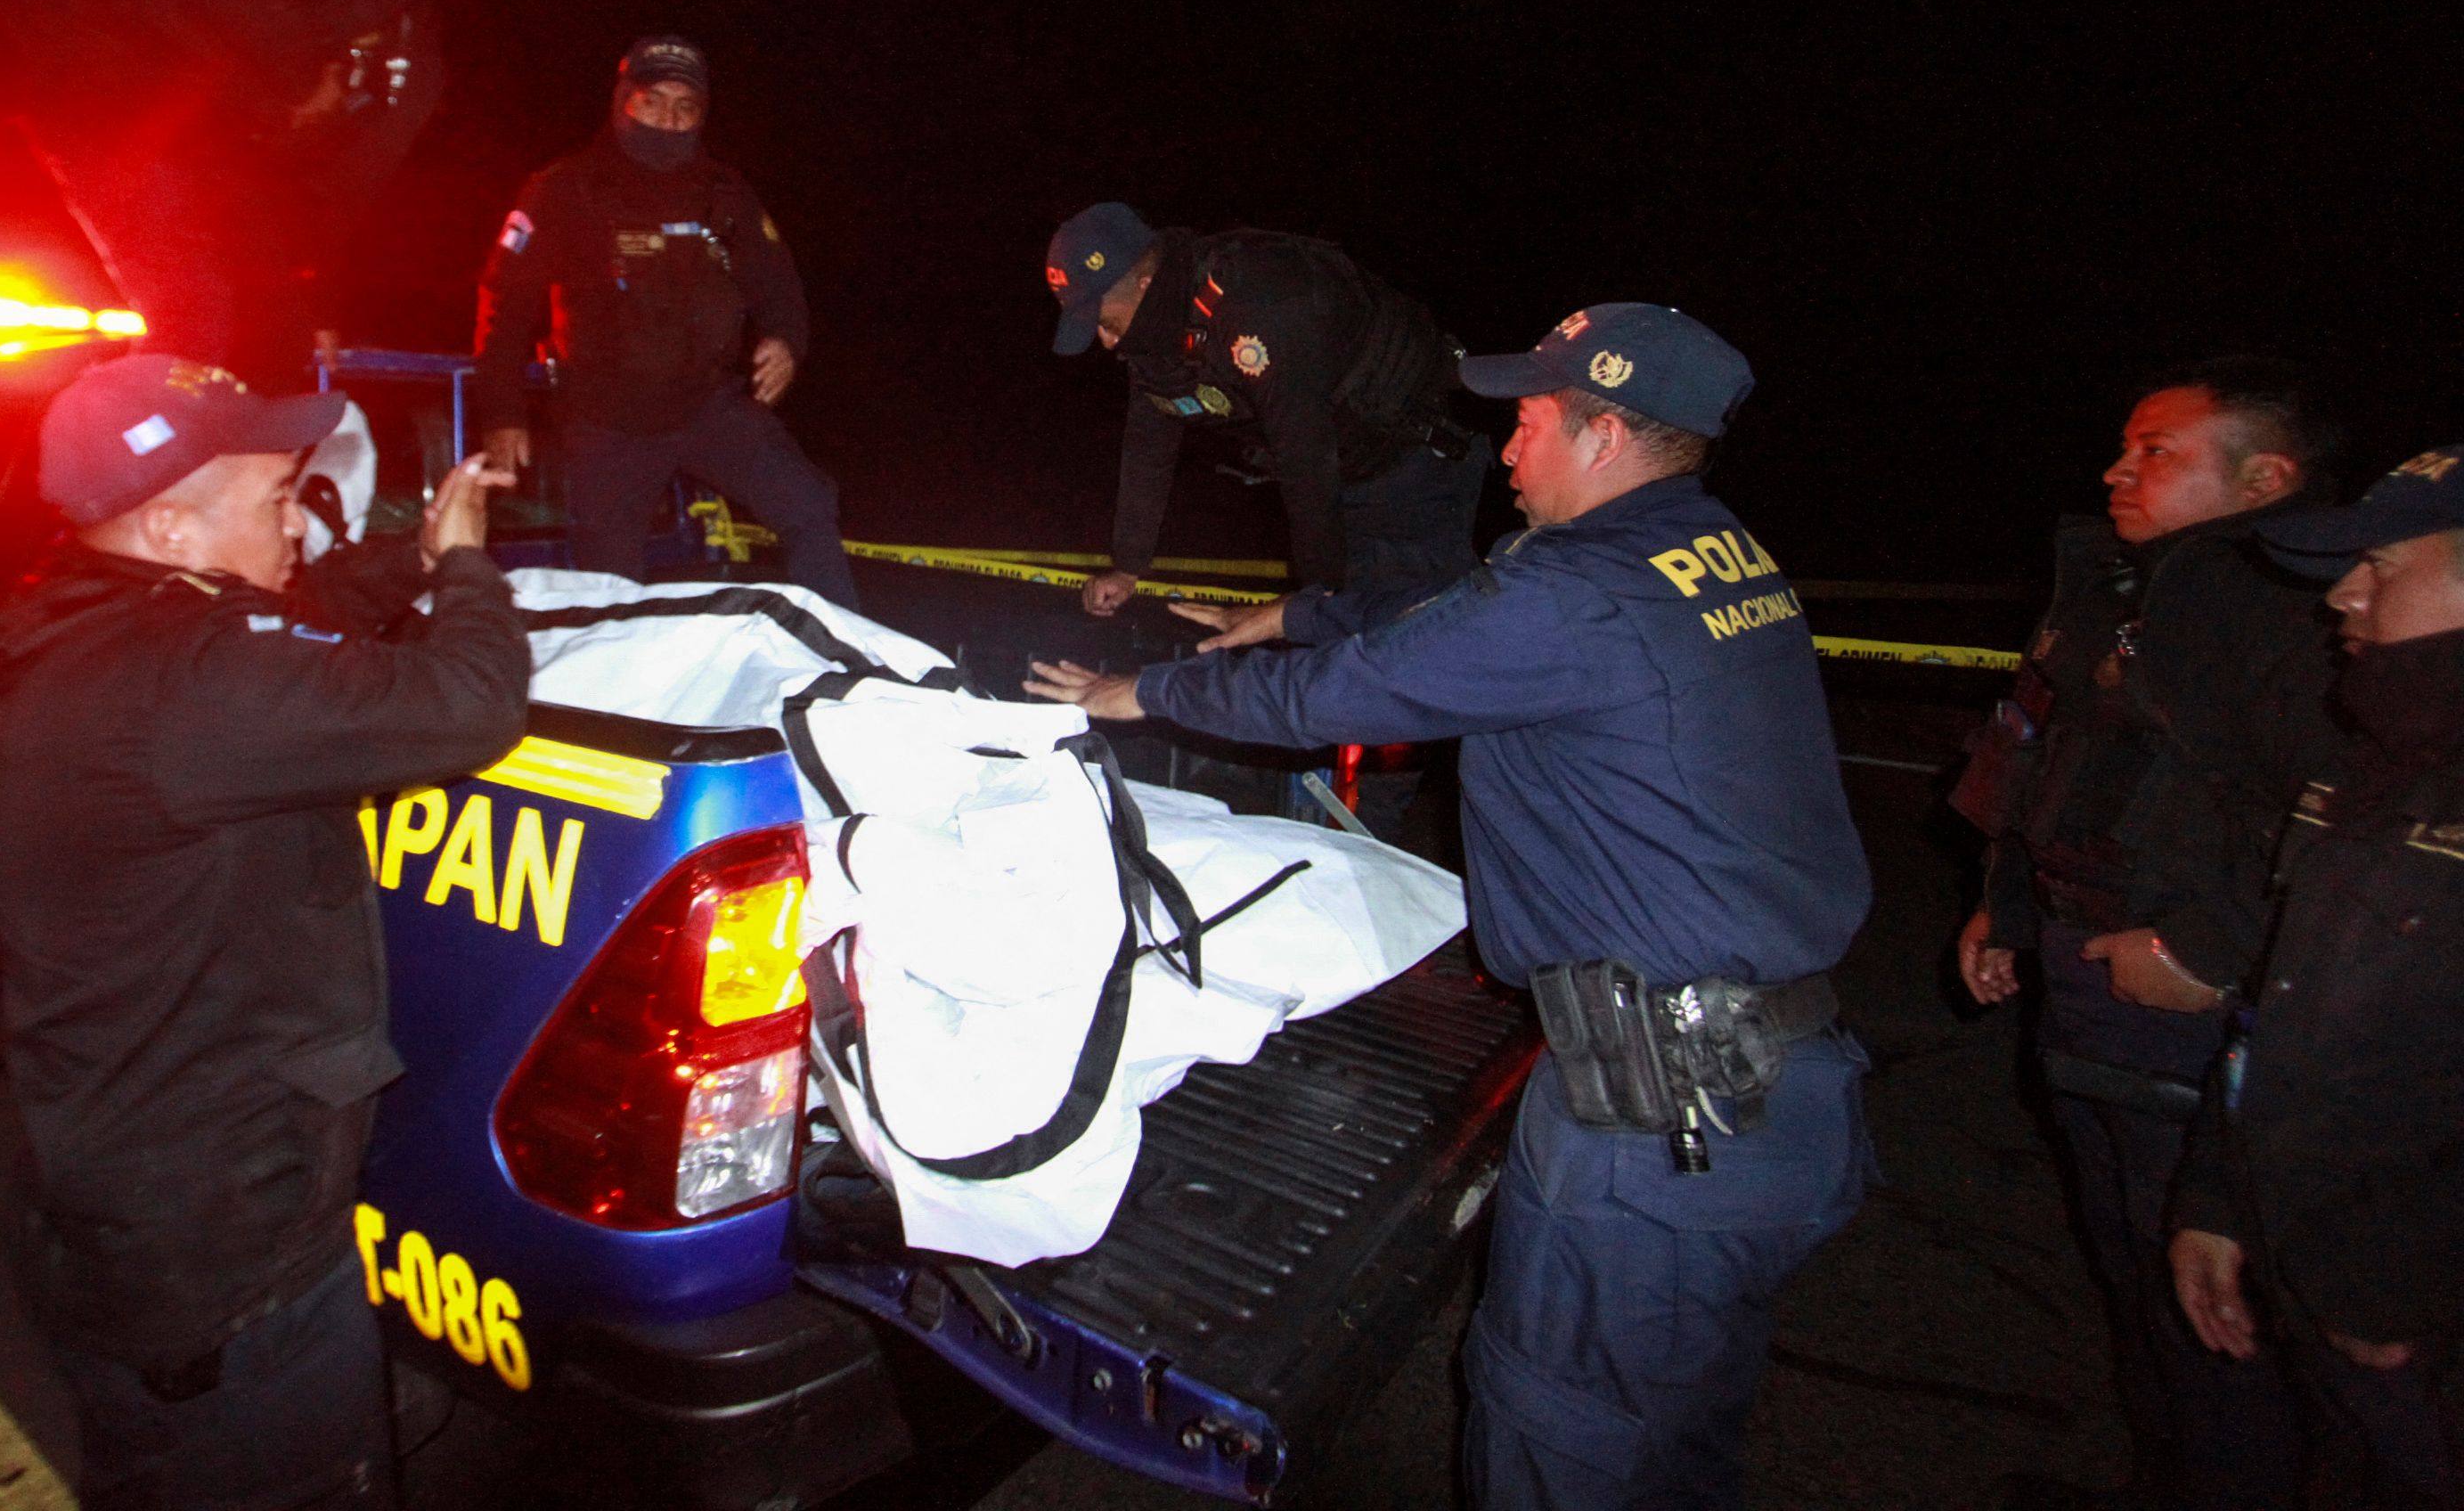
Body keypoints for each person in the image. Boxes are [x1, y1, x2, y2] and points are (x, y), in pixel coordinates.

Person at [1028, 303, 1872, 1511]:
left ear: (1604, 436)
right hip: (1777, 1087)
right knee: (1675, 1441)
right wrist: (1284, 616)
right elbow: (1455, 611)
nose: (1507, 448)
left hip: (1659, 1122)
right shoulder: (1706, 554)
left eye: (1532, 420)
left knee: (1563, 1442)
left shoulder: (1582, 593)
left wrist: (1139, 695)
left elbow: (1354, 689)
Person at [0, 353, 531, 1509]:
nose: (299, 523)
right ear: (170, 525)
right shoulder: (189, 685)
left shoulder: (98, 623)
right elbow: (470, 703)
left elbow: (293, 620)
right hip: (226, 1263)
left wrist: (413, 555)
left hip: (131, 1206)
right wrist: (470, 568)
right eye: (276, 501)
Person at [1950, 360, 2341, 1510]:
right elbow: (2047, 751)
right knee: (2130, 1261)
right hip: (2087, 973)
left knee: (2208, 1292)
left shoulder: (2283, 610)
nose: (2118, 470)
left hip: (2190, 1010)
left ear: (2264, 478)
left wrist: (2210, 952)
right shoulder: (2130, 586)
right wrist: (2008, 903)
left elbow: (2335, 821)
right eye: (2126, 446)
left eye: (2157, 452)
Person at [2167, 447, 2464, 1507]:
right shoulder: (2373, 768)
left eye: (2381, 566)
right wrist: (2218, 1199)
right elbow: (2279, 1007)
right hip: (2315, 1280)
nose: (2342, 594)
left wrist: (2408, 1279)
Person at [0, 0, 522, 381]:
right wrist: (303, 77)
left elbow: (342, 185)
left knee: (274, 342)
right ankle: (120, 431)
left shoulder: (411, 45)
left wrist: (314, 299)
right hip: (101, 80)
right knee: (192, 319)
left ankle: (206, 420)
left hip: (209, 149)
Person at [472, 34, 857, 607]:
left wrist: (785, 341)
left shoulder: (725, 191)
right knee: (610, 580)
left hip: (709, 404)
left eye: (685, 108)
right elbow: (505, 306)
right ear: (623, 101)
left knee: (808, 504)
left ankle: (842, 645)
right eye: (652, 102)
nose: (668, 120)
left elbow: (778, 282)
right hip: (608, 421)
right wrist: (503, 413)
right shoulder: (562, 189)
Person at [1040, 201, 1487, 617]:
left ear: (1144, 285)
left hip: (1411, 469)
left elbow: (1306, 461)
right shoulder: (1157, 323)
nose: (1107, 342)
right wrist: (1128, 566)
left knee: (1412, 636)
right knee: (1347, 637)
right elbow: (1148, 443)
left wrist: (1314, 602)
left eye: (1104, 322)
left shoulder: (1258, 302)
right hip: (1341, 486)